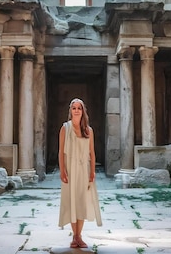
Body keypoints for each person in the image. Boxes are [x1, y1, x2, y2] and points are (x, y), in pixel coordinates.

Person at [58, 98, 102, 248]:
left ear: (83, 111)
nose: (76, 110)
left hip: (84, 169)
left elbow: (92, 152)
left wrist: (92, 172)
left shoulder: (88, 130)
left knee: (82, 202)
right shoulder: (65, 128)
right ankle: (74, 236)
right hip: (70, 170)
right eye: (74, 108)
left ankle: (79, 236)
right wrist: (62, 170)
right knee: (72, 202)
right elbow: (60, 152)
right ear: (70, 111)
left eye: (79, 108)